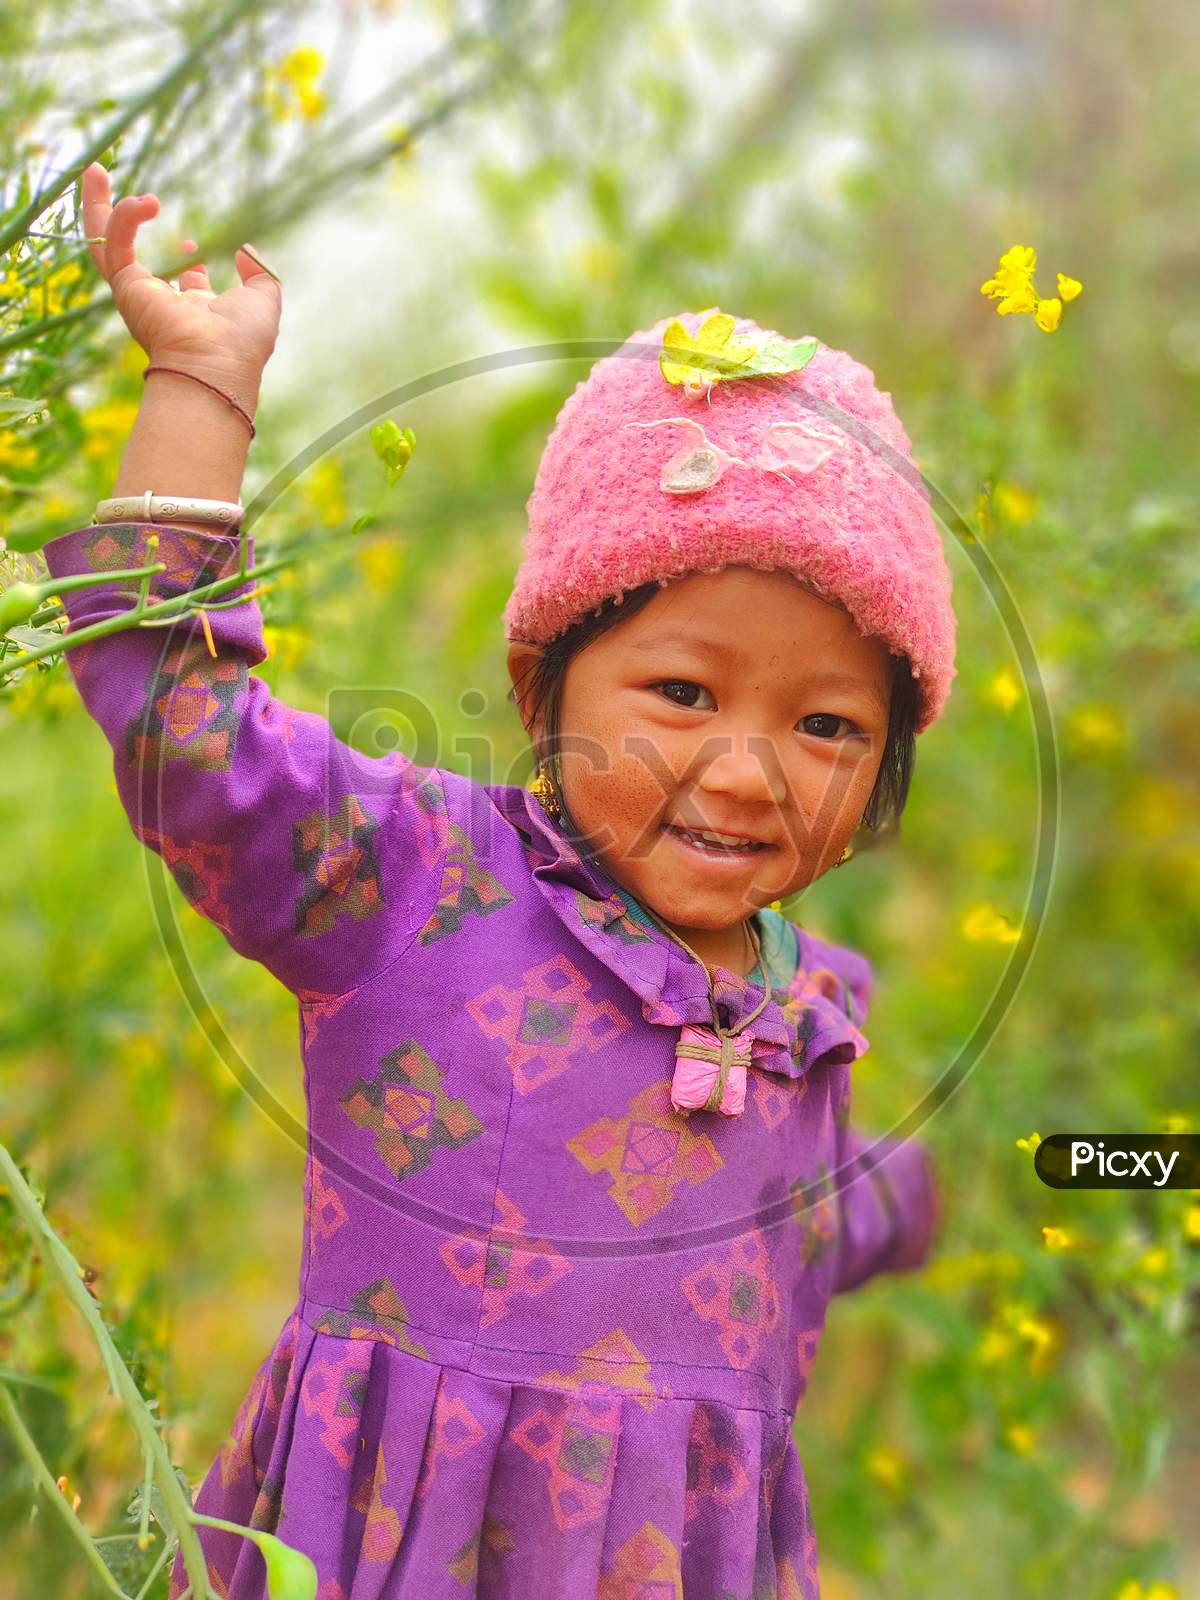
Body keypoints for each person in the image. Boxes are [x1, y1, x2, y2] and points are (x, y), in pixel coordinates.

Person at [40, 163, 954, 1600]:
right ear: (546, 682)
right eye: (680, 689)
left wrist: (1119, 1167)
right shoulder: (413, 882)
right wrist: (202, 391)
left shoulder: (813, 1018)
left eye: (827, 725)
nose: (745, 771)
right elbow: (188, 738)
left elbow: (871, 1201)